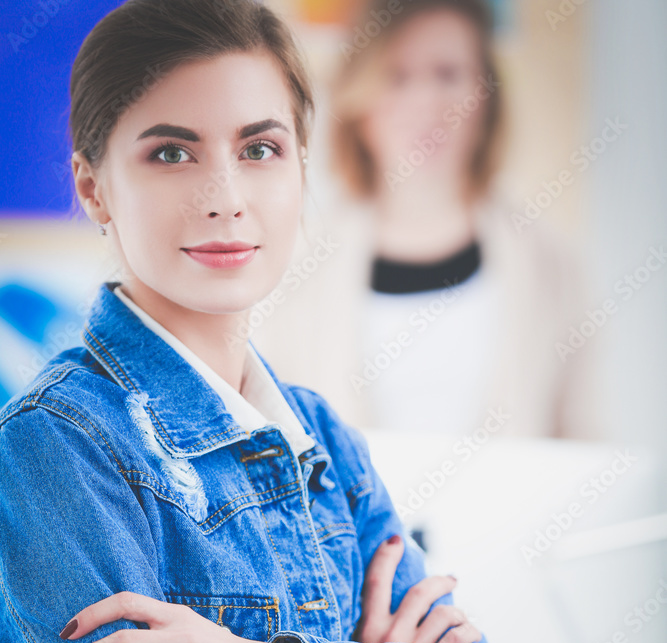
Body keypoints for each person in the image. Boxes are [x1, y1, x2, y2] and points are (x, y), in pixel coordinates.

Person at [0, 1, 531, 643]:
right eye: (169, 153)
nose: (223, 196)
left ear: (300, 171)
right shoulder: (54, 447)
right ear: (91, 187)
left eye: (259, 148)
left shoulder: (321, 441)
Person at [251, 0, 607, 440]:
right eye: (397, 76)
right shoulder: (290, 265)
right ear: (359, 98)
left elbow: (584, 445)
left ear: (486, 96)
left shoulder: (552, 263)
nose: (425, 101)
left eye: (448, 74)